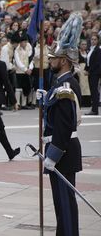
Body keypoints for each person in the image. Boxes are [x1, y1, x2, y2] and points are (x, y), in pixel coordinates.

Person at [40, 47, 82, 236]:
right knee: (60, 203)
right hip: (61, 150)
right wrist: (46, 98)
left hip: (63, 152)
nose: (50, 61)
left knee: (65, 204)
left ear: (63, 61)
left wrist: (54, 154)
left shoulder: (66, 86)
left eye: (53, 58)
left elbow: (65, 125)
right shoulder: (60, 83)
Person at [84, 34, 100, 115]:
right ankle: (94, 108)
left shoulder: (98, 50)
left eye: (95, 39)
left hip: (95, 73)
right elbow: (88, 61)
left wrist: (89, 71)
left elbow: (97, 63)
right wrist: (85, 69)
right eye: (92, 39)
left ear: (98, 40)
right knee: (92, 90)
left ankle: (95, 110)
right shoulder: (90, 49)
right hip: (91, 72)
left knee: (94, 91)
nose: (93, 41)